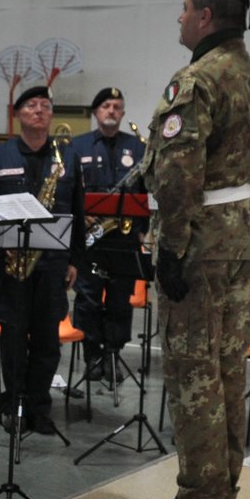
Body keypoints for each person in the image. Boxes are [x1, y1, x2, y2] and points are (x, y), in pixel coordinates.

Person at [134, 0, 250, 499]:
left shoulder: (196, 81)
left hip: (198, 245)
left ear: (205, 17)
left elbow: (176, 175)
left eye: (184, 9)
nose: (178, 17)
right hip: (240, 243)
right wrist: (243, 227)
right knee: (226, 372)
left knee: (193, 372)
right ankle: (222, 494)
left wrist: (173, 247)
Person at [0, 85, 85, 438]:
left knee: (46, 341)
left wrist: (75, 261)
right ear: (18, 114)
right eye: (31, 105)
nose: (39, 110)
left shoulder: (66, 157)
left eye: (45, 106)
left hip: (52, 264)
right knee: (12, 340)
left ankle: (39, 408)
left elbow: (78, 213)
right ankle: (13, 406)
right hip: (10, 266)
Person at [70, 87, 145, 382]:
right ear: (95, 112)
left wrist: (141, 230)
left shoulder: (137, 148)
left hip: (123, 239)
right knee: (87, 299)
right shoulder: (77, 146)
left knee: (119, 301)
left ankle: (113, 354)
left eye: (117, 106)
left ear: (123, 113)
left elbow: (147, 194)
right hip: (89, 239)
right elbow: (70, 189)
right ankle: (93, 357)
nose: (111, 110)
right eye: (105, 106)